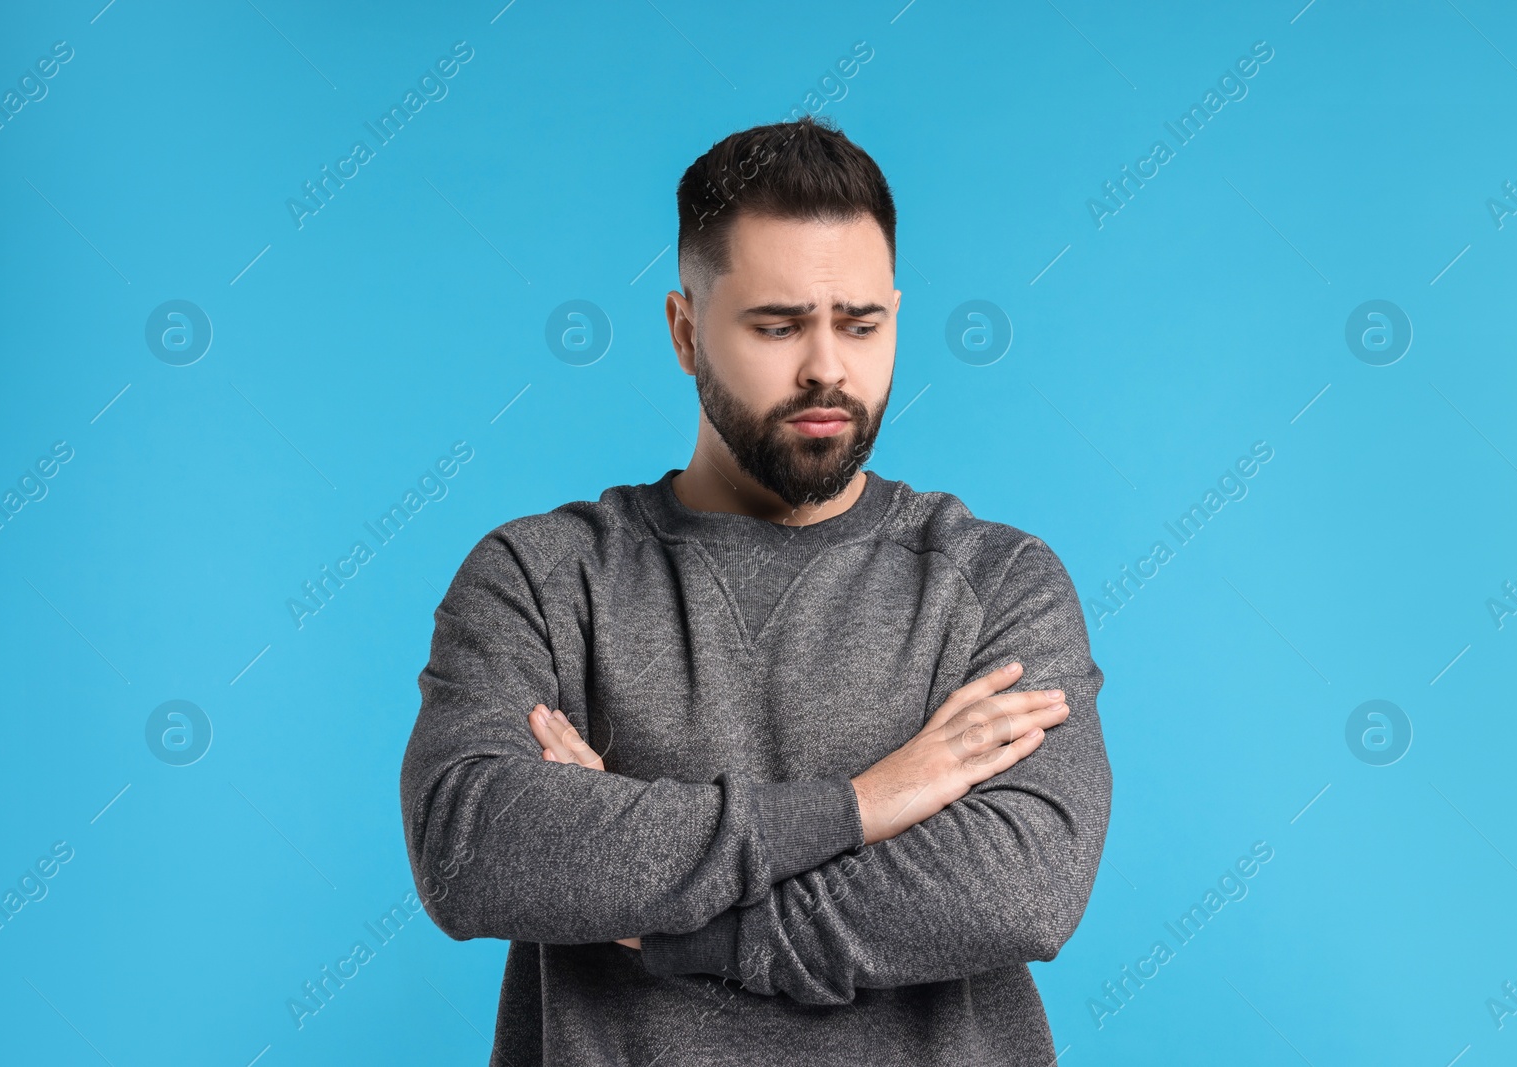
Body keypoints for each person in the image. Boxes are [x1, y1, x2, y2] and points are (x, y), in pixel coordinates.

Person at [399, 114, 1112, 1066]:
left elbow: (1018, 886)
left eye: (861, 324)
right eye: (778, 325)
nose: (826, 365)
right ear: (686, 332)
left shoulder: (997, 581)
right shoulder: (543, 577)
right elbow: (470, 846)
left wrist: (673, 920)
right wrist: (861, 804)